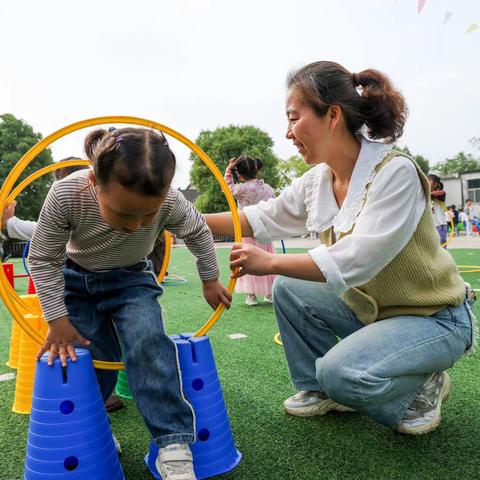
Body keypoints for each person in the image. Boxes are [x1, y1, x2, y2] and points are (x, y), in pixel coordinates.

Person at [206, 61, 476, 435]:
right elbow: (262, 217)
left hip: (433, 318)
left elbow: (357, 260)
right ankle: (318, 390)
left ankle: (421, 386)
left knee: (340, 373)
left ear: (332, 115)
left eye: (294, 118)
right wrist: (185, 219)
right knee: (289, 289)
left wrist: (269, 261)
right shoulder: (318, 180)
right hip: (376, 312)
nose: (287, 133)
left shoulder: (394, 172)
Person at [28, 127, 232, 479]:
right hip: (77, 281)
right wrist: (57, 319)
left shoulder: (169, 200)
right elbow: (43, 258)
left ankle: (172, 442)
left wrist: (210, 277)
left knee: (148, 342)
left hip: (132, 279)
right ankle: (97, 431)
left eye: (148, 217)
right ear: (94, 181)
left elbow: (197, 232)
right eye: (124, 215)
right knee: (93, 357)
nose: (136, 225)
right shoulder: (67, 194)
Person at [1, 158, 125, 413]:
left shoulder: (81, 212)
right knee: (93, 340)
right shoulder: (76, 213)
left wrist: (10, 223)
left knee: (95, 341)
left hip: (93, 288)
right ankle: (100, 392)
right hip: (89, 288)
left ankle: (96, 391)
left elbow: (32, 229)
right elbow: (38, 232)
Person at [225, 155, 276, 306]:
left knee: (246, 259)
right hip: (264, 230)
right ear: (256, 169)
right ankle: (269, 293)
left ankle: (251, 296)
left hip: (247, 230)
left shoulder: (241, 189)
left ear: (239, 175)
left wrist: (228, 171)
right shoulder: (268, 189)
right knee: (266, 259)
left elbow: (227, 187)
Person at [428, 174, 448, 246]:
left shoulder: (441, 193)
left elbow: (437, 193)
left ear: (435, 184)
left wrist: (426, 193)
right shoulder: (427, 197)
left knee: (441, 247)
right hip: (432, 225)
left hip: (440, 225)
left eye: (428, 181)